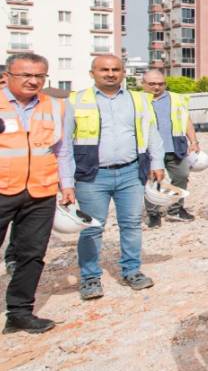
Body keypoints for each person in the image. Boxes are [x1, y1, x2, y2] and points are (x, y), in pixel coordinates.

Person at [60, 54, 165, 300]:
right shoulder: (76, 101)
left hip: (130, 172)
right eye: (104, 69)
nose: (110, 73)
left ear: (123, 72)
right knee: (91, 228)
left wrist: (157, 163)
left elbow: (152, 134)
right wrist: (66, 181)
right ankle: (90, 277)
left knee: (130, 224)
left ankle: (132, 270)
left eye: (116, 69)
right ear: (92, 73)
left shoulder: (139, 100)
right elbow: (64, 144)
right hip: (92, 175)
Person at [0, 54, 69, 334]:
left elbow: (62, 149)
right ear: (8, 76)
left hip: (41, 191)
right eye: (25, 75)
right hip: (3, 188)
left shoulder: (53, 106)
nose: (33, 81)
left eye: (40, 76)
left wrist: (67, 185)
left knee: (32, 254)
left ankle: (19, 312)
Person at [140, 71, 199, 227]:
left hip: (174, 146)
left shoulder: (176, 99)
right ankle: (153, 214)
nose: (157, 87)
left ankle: (176, 209)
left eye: (161, 83)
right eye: (152, 84)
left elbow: (186, 120)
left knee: (182, 175)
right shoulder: (137, 101)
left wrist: (193, 141)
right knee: (152, 181)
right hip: (148, 149)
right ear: (143, 84)